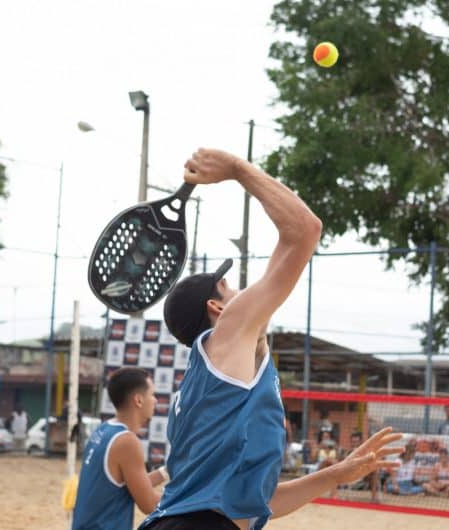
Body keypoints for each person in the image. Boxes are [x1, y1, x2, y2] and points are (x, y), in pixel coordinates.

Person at [141, 148, 402, 530]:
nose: (239, 292)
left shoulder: (211, 386)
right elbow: (303, 230)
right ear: (217, 307)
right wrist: (237, 169)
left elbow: (257, 503)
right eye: (228, 287)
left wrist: (335, 474)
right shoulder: (228, 332)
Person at [71, 368, 168, 530]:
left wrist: (167, 471)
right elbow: (149, 503)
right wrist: (190, 497)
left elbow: (134, 486)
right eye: (152, 394)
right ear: (138, 400)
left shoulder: (103, 430)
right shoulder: (127, 441)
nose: (156, 400)